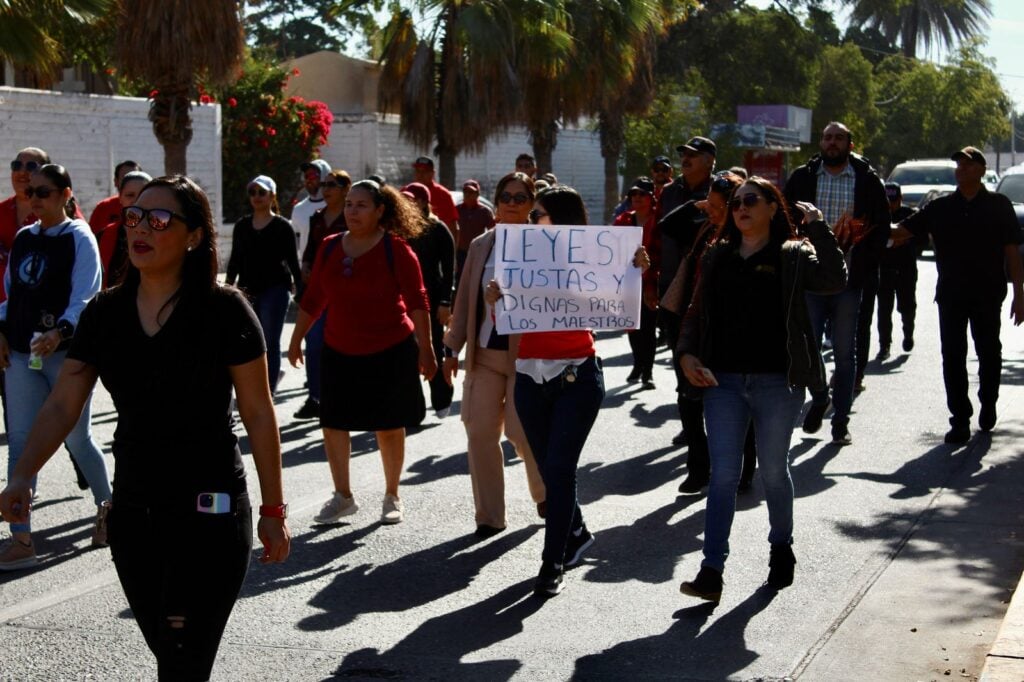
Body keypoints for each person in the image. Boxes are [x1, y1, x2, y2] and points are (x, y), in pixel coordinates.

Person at [0, 174, 290, 676]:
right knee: (171, 655)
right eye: (134, 217)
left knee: (183, 659)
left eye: (160, 220)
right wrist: (22, 474)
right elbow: (63, 403)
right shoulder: (104, 313)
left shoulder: (225, 311)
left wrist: (273, 508)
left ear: (194, 235)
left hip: (212, 510)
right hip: (136, 513)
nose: (141, 229)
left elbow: (259, 413)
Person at [677, 177, 846, 601]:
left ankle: (780, 547)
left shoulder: (792, 255)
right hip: (723, 381)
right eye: (736, 202)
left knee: (773, 469)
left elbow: (833, 280)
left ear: (774, 207)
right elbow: (696, 313)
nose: (741, 208)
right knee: (723, 477)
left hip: (777, 381)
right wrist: (686, 356)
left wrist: (819, 226)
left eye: (751, 200)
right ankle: (711, 570)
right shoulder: (718, 256)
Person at [486, 185, 650, 597]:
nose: (530, 219)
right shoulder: (517, 254)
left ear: (559, 218)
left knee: (559, 469)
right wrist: (495, 298)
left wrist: (634, 272)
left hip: (577, 376)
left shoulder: (595, 255)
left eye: (537, 213)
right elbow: (508, 319)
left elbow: (622, 311)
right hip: (529, 376)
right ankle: (575, 531)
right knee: (549, 469)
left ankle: (551, 561)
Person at [288, 179, 436, 525]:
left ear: (380, 210)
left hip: (389, 349)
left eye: (361, 205)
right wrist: (296, 340)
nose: (352, 211)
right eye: (350, 204)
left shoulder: (395, 249)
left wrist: (426, 348)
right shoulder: (328, 247)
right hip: (339, 349)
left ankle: (392, 495)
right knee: (333, 424)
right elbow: (313, 299)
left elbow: (418, 300)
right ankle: (343, 497)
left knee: (387, 426)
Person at [0, 163, 113, 569]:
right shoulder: (24, 238)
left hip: (66, 356)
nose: (34, 199)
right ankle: (21, 538)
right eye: (31, 192)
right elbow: (13, 295)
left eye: (44, 192)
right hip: (20, 352)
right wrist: (0, 327)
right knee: (21, 441)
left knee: (77, 439)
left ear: (66, 194)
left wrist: (60, 332)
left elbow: (86, 296)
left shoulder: (79, 238)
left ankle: (107, 507)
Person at [891, 146, 1024, 444]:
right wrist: (865, 228)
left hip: (988, 293)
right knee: (952, 355)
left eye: (966, 165)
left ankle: (988, 401)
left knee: (989, 352)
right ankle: (960, 419)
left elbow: (1012, 252)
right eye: (958, 166)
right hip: (951, 295)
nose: (960, 170)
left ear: (980, 170)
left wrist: (1020, 293)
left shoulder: (999, 206)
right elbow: (902, 230)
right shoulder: (940, 207)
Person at [441, 172, 547, 537]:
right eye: (506, 196)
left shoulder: (548, 244)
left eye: (521, 197)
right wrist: (451, 347)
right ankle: (489, 517)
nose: (512, 203)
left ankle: (545, 496)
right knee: (480, 433)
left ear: (531, 203)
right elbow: (465, 297)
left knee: (522, 432)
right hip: (484, 356)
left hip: (529, 357)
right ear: (497, 202)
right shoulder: (480, 245)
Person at [783, 121, 889, 445]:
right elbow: (784, 221)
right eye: (827, 137)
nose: (831, 143)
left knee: (845, 355)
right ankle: (818, 400)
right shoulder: (803, 178)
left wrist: (861, 269)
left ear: (849, 144)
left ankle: (840, 421)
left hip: (849, 284)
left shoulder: (868, 182)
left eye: (838, 138)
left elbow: (881, 230)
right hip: (811, 284)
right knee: (807, 350)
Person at [660, 172, 756, 495]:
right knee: (688, 401)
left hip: (730, 335)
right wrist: (695, 205)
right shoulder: (703, 230)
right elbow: (667, 226)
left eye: (717, 207)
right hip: (692, 327)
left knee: (738, 404)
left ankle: (744, 470)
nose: (711, 212)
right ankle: (698, 469)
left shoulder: (748, 240)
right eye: (709, 206)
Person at [657, 136, 716, 446]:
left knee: (708, 357)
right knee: (680, 359)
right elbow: (657, 236)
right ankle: (692, 427)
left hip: (708, 291)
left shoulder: (722, 192)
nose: (686, 159)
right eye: (683, 154)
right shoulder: (668, 192)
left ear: (709, 160)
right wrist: (652, 281)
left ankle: (715, 422)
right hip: (672, 290)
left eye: (693, 154)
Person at [225, 175, 302, 395]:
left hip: (275, 289)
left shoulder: (282, 226)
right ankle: (252, 386)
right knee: (249, 341)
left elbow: (292, 261)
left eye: (262, 192)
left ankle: (267, 390)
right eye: (253, 192)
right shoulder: (242, 226)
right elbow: (235, 259)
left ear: (272, 196)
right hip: (247, 289)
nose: (256, 197)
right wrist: (229, 286)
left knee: (270, 340)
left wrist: (300, 287)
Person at [293, 169, 351, 421]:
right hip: (318, 290)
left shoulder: (352, 216)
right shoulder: (317, 217)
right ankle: (315, 397)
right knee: (314, 343)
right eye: (324, 185)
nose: (325, 189)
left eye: (332, 185)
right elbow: (311, 249)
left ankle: (344, 395)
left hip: (346, 293)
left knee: (343, 346)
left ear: (345, 189)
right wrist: (305, 265)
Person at [402, 182, 456, 418]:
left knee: (432, 347)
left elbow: (449, 270)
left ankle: (442, 397)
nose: (406, 204)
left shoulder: (438, 229)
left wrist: (446, 303)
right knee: (406, 353)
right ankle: (413, 408)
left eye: (411, 200)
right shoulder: (397, 229)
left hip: (432, 301)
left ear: (423, 202)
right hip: (404, 302)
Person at [613, 177, 660, 389]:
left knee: (648, 329)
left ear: (652, 197)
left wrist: (652, 282)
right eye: (633, 194)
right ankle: (638, 363)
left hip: (651, 284)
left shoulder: (659, 221)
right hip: (626, 284)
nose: (637, 198)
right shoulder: (623, 220)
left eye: (642, 194)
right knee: (631, 326)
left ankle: (647, 372)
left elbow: (662, 254)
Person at [876, 182, 924, 359]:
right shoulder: (878, 216)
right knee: (884, 309)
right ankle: (884, 345)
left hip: (906, 268)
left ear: (900, 198)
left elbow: (922, 239)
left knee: (907, 306)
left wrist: (905, 240)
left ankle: (908, 333)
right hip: (884, 269)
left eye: (894, 200)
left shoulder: (910, 215)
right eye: (888, 200)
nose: (891, 204)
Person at [99, 170, 152, 288]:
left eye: (142, 195)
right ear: (120, 198)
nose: (136, 201)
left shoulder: (162, 233)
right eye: (130, 195)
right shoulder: (105, 235)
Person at [412, 156, 459, 243]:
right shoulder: (407, 192)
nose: (420, 175)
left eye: (424, 171)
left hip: (436, 246)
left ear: (432, 173)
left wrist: (452, 254)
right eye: (418, 171)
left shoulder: (443, 195)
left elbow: (453, 227)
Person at [292, 159, 331, 261]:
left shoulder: (334, 205)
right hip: (307, 270)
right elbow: (296, 243)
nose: (309, 179)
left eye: (313, 176)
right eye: (306, 176)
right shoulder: (298, 209)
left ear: (324, 176)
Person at [88, 160, 141, 235]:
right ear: (116, 181)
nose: (130, 182)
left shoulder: (150, 208)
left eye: (135, 178)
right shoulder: (103, 207)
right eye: (126, 178)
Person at [455, 179, 495, 278]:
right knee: (460, 278)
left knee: (476, 278)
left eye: (471, 192)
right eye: (465, 192)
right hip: (460, 252)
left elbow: (492, 232)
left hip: (478, 252)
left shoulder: (484, 211)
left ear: (477, 194)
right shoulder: (457, 209)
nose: (467, 195)